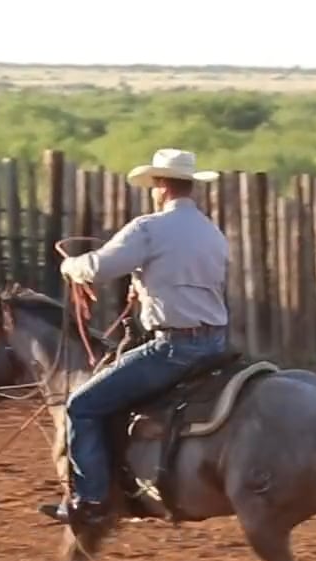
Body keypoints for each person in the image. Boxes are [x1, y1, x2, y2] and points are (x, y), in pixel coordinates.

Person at [40, 148, 232, 527]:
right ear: (189, 185)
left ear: (161, 186)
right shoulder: (212, 233)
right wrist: (145, 286)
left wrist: (70, 266)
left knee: (82, 405)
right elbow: (189, 281)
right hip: (215, 345)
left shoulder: (149, 228)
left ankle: (91, 499)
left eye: (154, 185)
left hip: (174, 349)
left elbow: (98, 267)